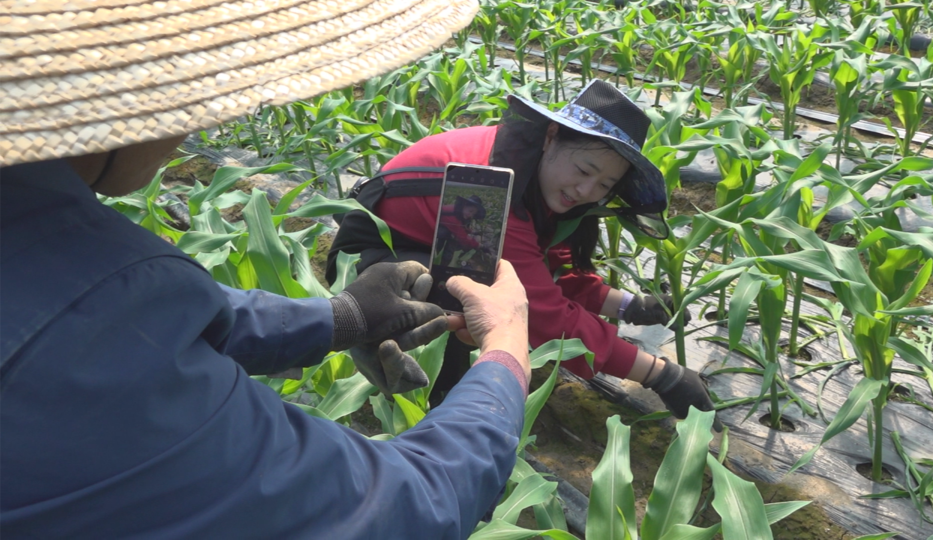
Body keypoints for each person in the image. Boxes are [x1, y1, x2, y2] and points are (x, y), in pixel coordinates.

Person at [1, 1, 536, 538]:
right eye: (194, 86)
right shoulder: (97, 337)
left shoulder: (54, 255)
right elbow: (404, 506)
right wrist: (506, 352)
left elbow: (124, 317)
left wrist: (340, 318)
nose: (205, 119)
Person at [327, 79, 714, 418]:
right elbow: (545, 312)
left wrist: (631, 306)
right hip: (372, 264)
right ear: (551, 136)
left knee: (479, 290)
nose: (587, 191)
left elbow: (548, 268)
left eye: (604, 185)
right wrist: (661, 375)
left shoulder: (530, 168)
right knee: (475, 298)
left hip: (430, 249)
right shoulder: (488, 191)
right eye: (584, 171)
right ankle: (422, 388)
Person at [437, 195, 487, 266]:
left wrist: (471, 231)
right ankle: (440, 255)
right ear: (465, 205)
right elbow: (463, 237)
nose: (470, 215)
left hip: (442, 225)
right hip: (435, 228)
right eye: (470, 211)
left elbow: (460, 226)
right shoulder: (453, 216)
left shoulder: (458, 210)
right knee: (447, 235)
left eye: (473, 214)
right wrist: (480, 246)